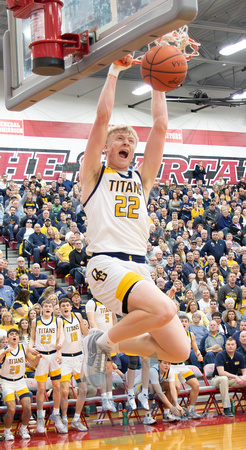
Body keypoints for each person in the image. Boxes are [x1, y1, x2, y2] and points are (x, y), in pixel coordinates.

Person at [80, 54, 189, 388]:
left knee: (178, 350)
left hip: (139, 269)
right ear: (107, 148)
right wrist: (114, 71)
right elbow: (101, 119)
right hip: (105, 264)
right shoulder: (94, 175)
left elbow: (160, 126)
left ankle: (101, 339)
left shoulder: (142, 180)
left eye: (130, 140)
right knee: (166, 309)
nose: (126, 142)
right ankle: (101, 343)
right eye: (120, 139)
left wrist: (158, 84)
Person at [29, 299, 66, 433]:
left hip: (54, 355)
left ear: (53, 308)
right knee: (41, 389)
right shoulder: (35, 321)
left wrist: (60, 349)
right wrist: (30, 348)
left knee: (57, 387)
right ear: (42, 308)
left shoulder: (58, 321)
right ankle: (40, 417)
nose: (48, 308)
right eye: (46, 306)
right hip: (42, 356)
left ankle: (56, 414)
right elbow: (32, 338)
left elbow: (60, 337)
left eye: (50, 306)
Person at [0, 328, 41, 440]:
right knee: (11, 409)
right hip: (6, 382)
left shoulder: (23, 347)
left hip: (20, 381)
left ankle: (23, 429)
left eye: (16, 334)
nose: (14, 336)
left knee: (27, 407)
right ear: (7, 338)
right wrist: (3, 352)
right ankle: (7, 432)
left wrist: (37, 358)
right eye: (11, 334)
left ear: (18, 337)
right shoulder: (3, 350)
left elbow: (32, 363)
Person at [59, 298, 88, 432]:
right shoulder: (58, 321)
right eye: (63, 306)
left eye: (67, 305)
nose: (66, 307)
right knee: (64, 391)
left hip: (79, 357)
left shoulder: (78, 316)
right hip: (65, 359)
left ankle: (76, 419)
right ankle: (64, 419)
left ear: (71, 307)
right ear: (59, 309)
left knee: (83, 390)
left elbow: (85, 333)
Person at [211, 337, 246, 417]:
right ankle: (226, 407)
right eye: (228, 344)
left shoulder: (239, 356)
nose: (230, 346)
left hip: (232, 380)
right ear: (225, 346)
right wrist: (236, 377)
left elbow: (244, 370)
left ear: (236, 346)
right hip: (217, 379)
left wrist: (244, 377)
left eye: (232, 344)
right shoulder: (220, 355)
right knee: (224, 378)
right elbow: (221, 372)